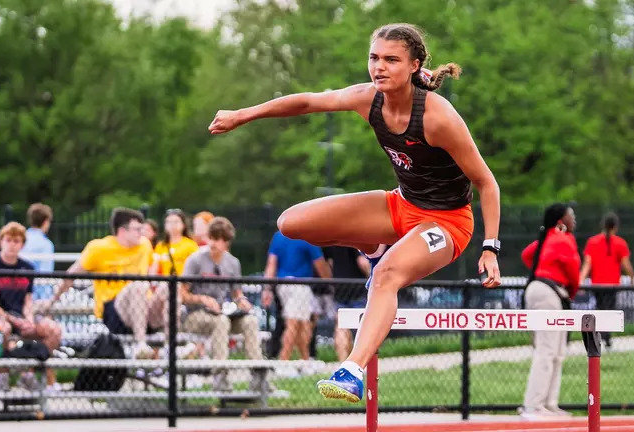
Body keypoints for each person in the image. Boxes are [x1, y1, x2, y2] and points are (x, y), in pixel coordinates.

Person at [209, 23, 502, 403]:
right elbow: (308, 102)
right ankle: (374, 245)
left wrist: (490, 247)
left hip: (447, 223)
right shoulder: (368, 99)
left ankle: (352, 370)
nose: (379, 67)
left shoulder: (438, 117)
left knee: (386, 275)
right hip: (401, 205)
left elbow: (487, 183)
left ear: (414, 65)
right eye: (374, 58)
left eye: (391, 60)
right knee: (290, 223)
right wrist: (242, 115)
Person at [49, 208, 160, 359]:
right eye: (137, 229)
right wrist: (52, 301)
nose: (142, 233)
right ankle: (140, 345)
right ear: (122, 231)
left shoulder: (145, 245)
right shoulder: (99, 248)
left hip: (145, 311)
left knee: (168, 288)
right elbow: (71, 275)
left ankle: (172, 347)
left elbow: (153, 264)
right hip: (115, 312)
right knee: (137, 286)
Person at [181, 217, 264, 390]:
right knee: (221, 322)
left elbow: (237, 293)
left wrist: (242, 302)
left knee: (250, 321)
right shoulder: (195, 260)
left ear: (226, 242)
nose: (212, 243)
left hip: (223, 312)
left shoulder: (232, 263)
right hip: (196, 315)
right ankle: (220, 376)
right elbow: (181, 294)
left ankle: (258, 374)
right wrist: (202, 299)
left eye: (217, 239)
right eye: (211, 238)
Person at [0, 222, 62, 391]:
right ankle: (2, 375)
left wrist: (29, 320)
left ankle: (28, 371)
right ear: (1, 242)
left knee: (53, 329)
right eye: (8, 240)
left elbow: (28, 301)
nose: (12, 245)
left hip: (21, 317)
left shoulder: (27, 267)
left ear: (22, 244)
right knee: (1, 329)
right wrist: (14, 320)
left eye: (16, 241)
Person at [519, 204, 580, 419]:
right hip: (550, 293)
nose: (574, 219)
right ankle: (534, 405)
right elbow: (574, 270)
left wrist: (543, 269)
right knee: (547, 351)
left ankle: (548, 404)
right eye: (571, 215)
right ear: (561, 221)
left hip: (541, 289)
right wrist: (571, 290)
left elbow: (527, 255)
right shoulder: (564, 238)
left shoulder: (547, 238)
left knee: (557, 352)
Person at [262, 230, 332, 362]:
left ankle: (305, 360)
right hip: (300, 285)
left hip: (282, 285)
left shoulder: (279, 236)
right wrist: (330, 282)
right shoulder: (307, 236)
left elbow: (271, 264)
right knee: (293, 324)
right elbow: (320, 264)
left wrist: (267, 289)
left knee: (303, 325)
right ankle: (283, 361)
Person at [579, 212, 634, 348]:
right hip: (612, 284)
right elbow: (626, 264)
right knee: (609, 309)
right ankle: (606, 336)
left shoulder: (592, 242)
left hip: (597, 284)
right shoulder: (620, 243)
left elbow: (587, 264)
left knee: (600, 307)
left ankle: (601, 334)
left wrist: (581, 280)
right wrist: (632, 278)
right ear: (615, 227)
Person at [322, 246, 371, 360]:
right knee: (363, 327)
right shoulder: (355, 241)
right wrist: (371, 274)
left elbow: (328, 262)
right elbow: (362, 262)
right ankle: (360, 361)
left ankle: (343, 361)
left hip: (339, 287)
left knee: (341, 326)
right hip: (357, 287)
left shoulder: (332, 240)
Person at [20, 203, 55, 300]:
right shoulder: (46, 244)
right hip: (35, 297)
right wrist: (45, 300)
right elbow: (45, 275)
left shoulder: (20, 240)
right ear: (46, 221)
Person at [152, 209, 199, 276]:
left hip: (184, 280)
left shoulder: (191, 245)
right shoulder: (160, 246)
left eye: (176, 222)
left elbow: (196, 267)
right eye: (169, 222)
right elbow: (154, 268)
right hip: (165, 281)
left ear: (183, 224)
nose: (172, 225)